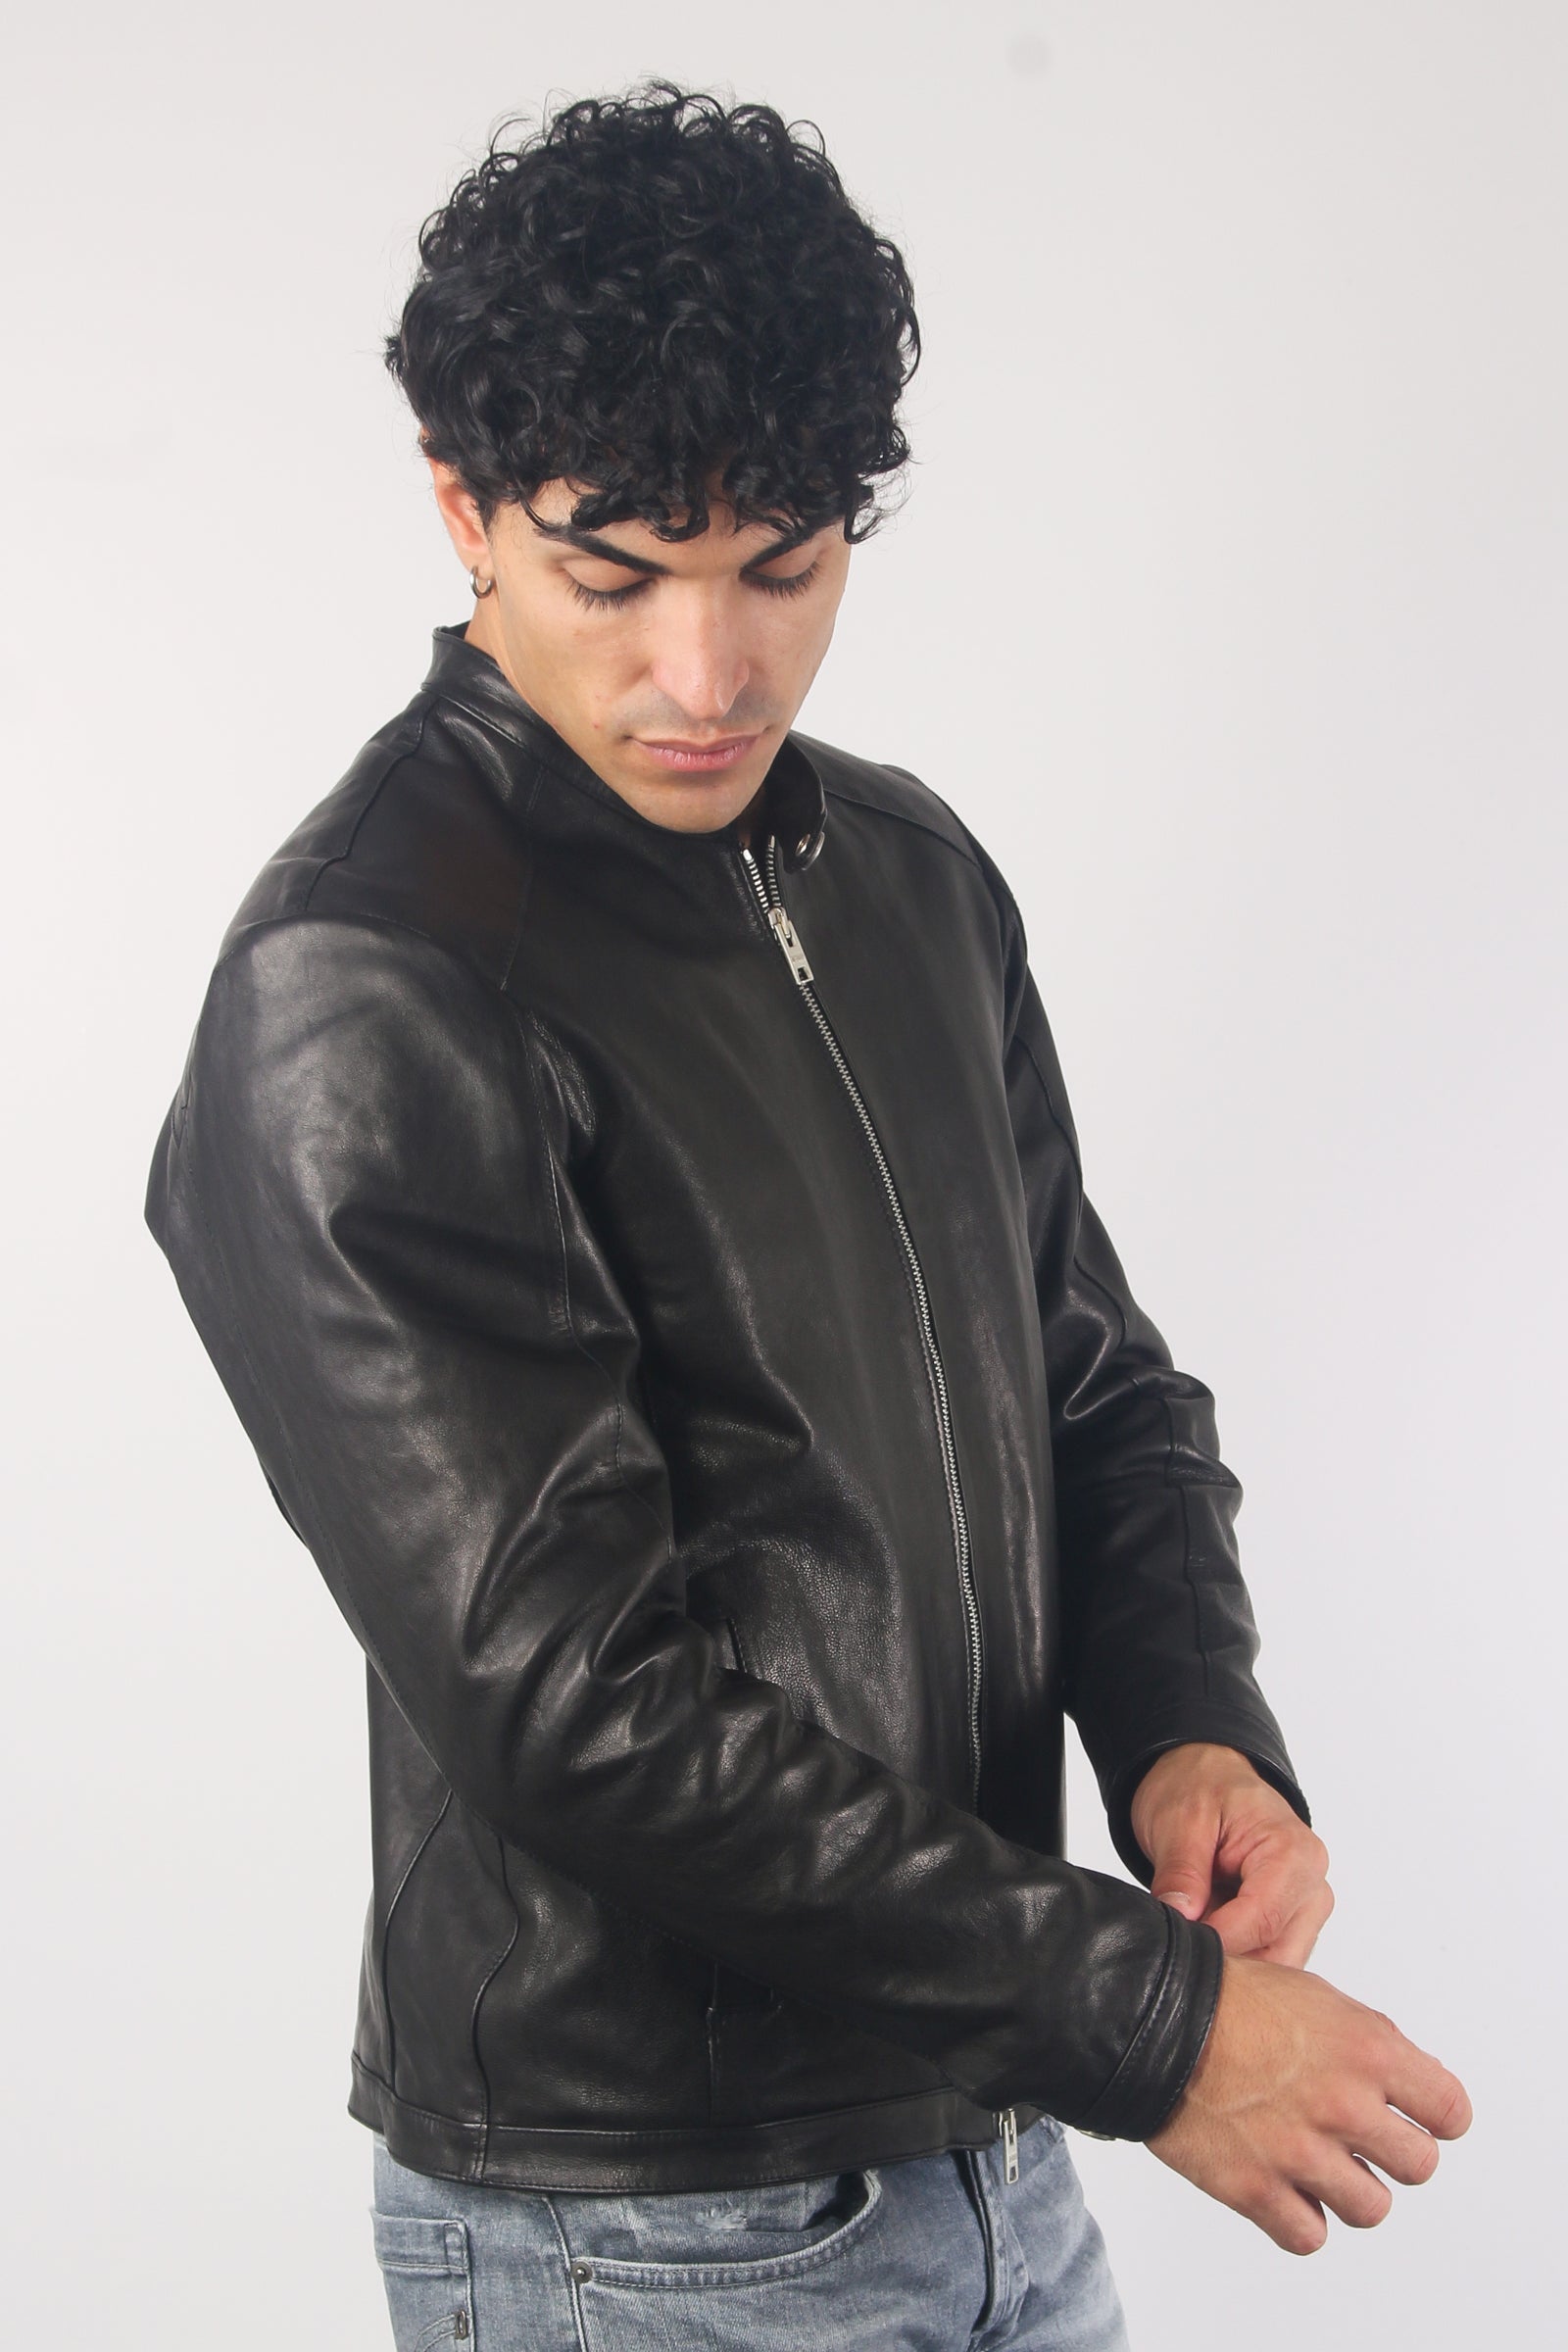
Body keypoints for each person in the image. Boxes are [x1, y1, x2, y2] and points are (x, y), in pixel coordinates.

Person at [142, 80, 1470, 2351]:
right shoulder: (365, 984)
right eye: (613, 574)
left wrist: (1190, 1729)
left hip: (993, 2142)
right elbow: (577, 1706)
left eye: (780, 566)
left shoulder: (906, 876)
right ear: (462, 510)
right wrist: (1149, 2023)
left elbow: (1092, 1387)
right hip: (646, 2231)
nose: (708, 675)